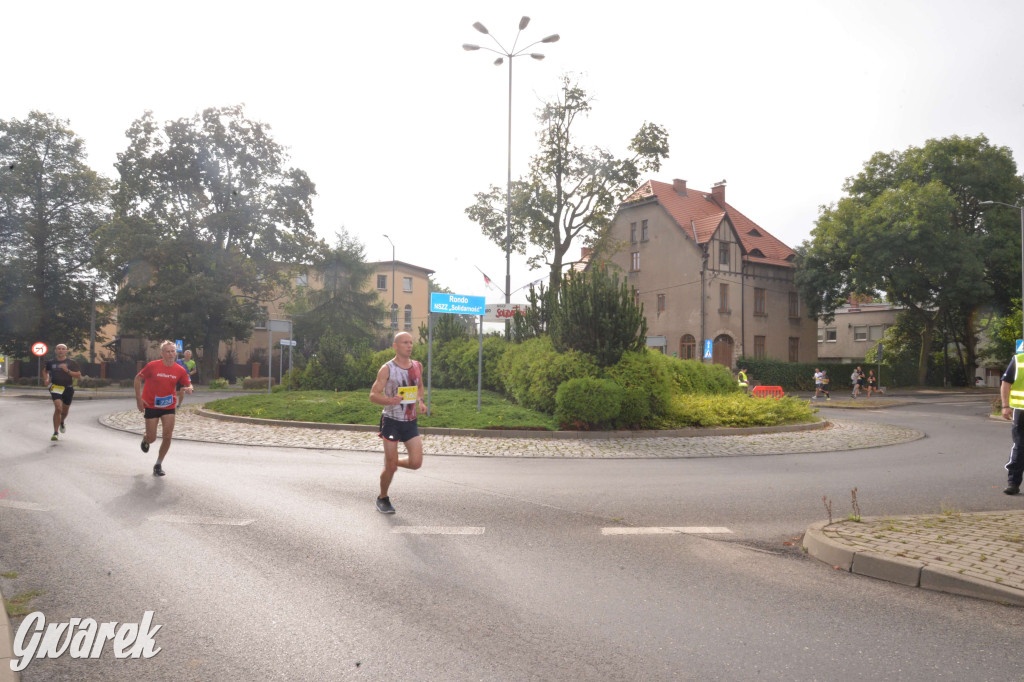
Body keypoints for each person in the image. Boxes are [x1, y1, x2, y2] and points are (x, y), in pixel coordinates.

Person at [369, 331, 426, 514]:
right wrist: (389, 400)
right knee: (390, 468)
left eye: (411, 342)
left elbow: (419, 386)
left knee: (416, 463)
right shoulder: (387, 368)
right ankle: (383, 498)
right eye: (405, 343)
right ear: (395, 346)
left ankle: (392, 462)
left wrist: (421, 401)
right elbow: (373, 395)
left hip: (410, 421)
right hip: (391, 421)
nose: (409, 346)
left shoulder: (417, 366)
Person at [135, 340, 193, 476]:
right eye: (168, 351)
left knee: (167, 435)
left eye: (173, 351)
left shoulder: (180, 370)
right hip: (151, 405)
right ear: (162, 353)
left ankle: (158, 464)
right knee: (152, 438)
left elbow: (188, 384)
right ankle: (146, 438)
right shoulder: (153, 366)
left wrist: (189, 388)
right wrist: (139, 399)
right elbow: (137, 379)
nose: (171, 354)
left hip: (169, 405)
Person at [42, 344, 82, 441]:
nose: (61, 350)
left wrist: (67, 371)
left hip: (68, 388)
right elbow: (45, 371)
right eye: (59, 349)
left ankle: (62, 421)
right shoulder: (51, 362)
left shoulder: (71, 362)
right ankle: (55, 432)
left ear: (66, 351)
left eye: (63, 349)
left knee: (65, 411)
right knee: (58, 408)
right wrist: (46, 379)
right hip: (56, 387)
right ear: (55, 351)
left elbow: (78, 375)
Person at [999, 354, 1024, 495]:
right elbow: (1006, 383)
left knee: (1020, 447)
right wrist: (1005, 405)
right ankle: (1013, 482)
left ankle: (1013, 482)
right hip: (1022, 412)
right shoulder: (1019, 360)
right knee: (1020, 447)